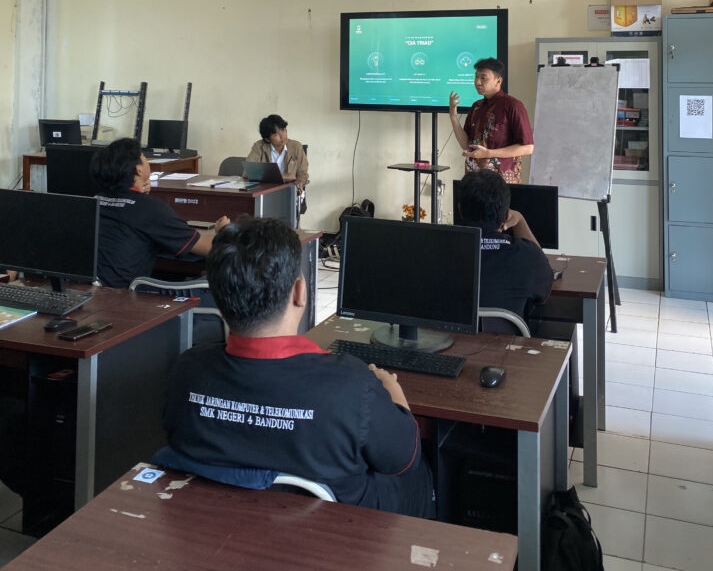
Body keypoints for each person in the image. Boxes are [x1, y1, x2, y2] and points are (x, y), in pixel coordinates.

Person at [159, 216, 434, 515]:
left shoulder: (186, 371)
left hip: (219, 522)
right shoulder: (352, 386)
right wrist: (394, 393)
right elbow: (404, 459)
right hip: (335, 529)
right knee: (420, 474)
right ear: (299, 292)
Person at [91, 137, 229, 288]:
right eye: (144, 156)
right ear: (138, 170)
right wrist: (222, 232)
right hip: (121, 296)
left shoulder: (94, 200)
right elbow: (209, 248)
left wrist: (141, 195)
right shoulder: (149, 208)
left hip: (88, 290)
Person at [456, 168, 553, 324]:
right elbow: (544, 282)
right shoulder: (527, 257)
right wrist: (520, 220)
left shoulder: (438, 251)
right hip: (504, 339)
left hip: (446, 338)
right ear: (507, 215)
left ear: (460, 209)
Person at [449, 57, 533, 184]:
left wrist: (489, 153)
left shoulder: (513, 106)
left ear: (498, 81)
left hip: (501, 182)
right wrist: (453, 117)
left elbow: (527, 148)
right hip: (474, 179)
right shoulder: (476, 106)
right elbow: (465, 144)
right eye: (476, 77)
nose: (477, 82)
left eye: (483, 78)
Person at [247, 114, 308, 213]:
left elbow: (303, 173)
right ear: (267, 139)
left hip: (289, 192)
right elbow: (249, 172)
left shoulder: (296, 147)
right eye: (276, 134)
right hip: (265, 193)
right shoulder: (259, 147)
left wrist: (299, 183)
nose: (283, 136)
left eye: (283, 130)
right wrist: (285, 176)